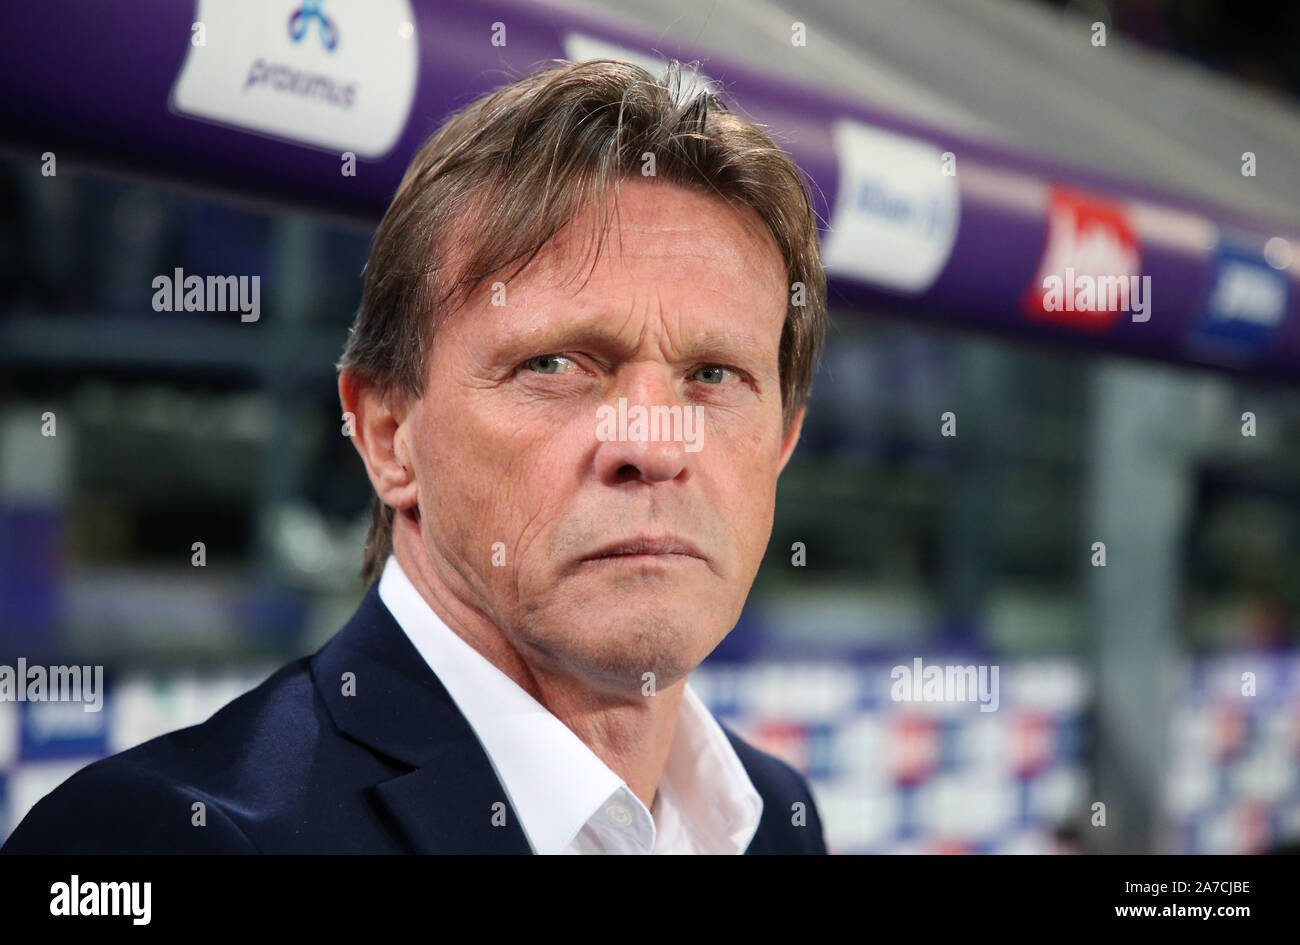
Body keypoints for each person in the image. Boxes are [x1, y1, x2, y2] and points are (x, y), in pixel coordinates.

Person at [2, 58, 829, 854]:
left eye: (715, 375)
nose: (655, 445)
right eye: (554, 364)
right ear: (388, 434)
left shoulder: (776, 818)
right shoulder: (166, 838)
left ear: (782, 443)